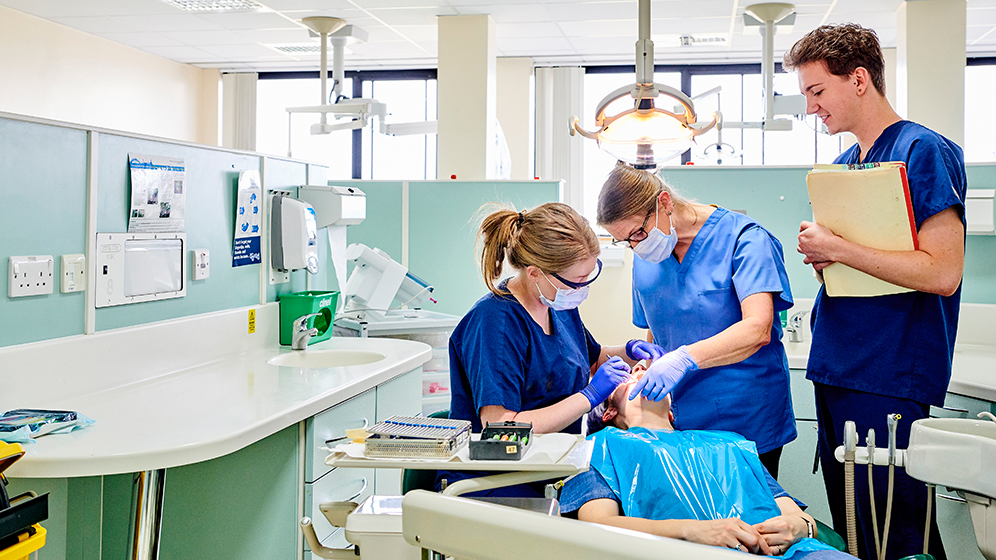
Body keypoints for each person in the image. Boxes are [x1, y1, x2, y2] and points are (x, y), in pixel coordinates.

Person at [782, 23, 967, 560]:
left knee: (898, 532)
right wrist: (824, 263)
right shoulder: (844, 169)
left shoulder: (922, 150)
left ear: (859, 79)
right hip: (838, 365)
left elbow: (941, 272)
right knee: (858, 529)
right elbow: (860, 273)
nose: (812, 108)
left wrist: (839, 249)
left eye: (818, 92)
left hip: (889, 374)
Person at [440, 202, 655, 496]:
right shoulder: (495, 324)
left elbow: (588, 358)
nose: (583, 288)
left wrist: (630, 350)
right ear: (535, 273)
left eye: (590, 275)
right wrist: (589, 397)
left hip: (547, 468)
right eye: (577, 281)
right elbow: (502, 427)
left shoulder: (556, 303)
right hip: (492, 480)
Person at [597, 163, 796, 477]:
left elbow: (758, 328)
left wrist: (683, 359)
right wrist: (648, 367)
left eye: (638, 233)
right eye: (625, 241)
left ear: (664, 202)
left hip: (746, 417)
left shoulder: (744, 239)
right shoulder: (646, 260)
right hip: (679, 426)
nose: (636, 246)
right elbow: (657, 331)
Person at [559, 374, 848, 558]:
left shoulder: (729, 444)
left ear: (672, 411)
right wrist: (695, 531)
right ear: (609, 411)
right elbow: (598, 525)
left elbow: (797, 518)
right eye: (631, 374)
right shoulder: (598, 446)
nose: (643, 370)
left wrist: (799, 528)